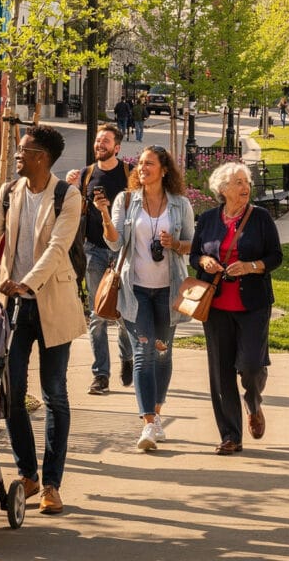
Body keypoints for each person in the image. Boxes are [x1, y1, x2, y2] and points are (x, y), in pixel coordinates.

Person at [0, 124, 86, 516]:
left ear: (41, 157)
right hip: (10, 305)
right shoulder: (10, 192)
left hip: (51, 301)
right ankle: (28, 474)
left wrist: (26, 283)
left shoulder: (68, 196)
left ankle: (52, 484)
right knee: (10, 393)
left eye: (23, 149)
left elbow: (57, 247)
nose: (16, 154)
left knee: (54, 393)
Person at [102, 145, 194, 452]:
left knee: (163, 352)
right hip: (135, 289)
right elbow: (115, 244)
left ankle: (157, 410)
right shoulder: (126, 200)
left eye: (149, 163)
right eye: (140, 163)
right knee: (143, 354)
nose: (143, 168)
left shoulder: (180, 204)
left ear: (164, 169)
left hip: (169, 291)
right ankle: (149, 423)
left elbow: (192, 245)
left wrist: (174, 243)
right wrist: (104, 215)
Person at [190, 162, 283, 454]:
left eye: (246, 182)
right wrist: (204, 261)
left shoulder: (261, 218)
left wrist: (252, 266)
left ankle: (253, 402)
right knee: (220, 373)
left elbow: (276, 256)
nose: (246, 188)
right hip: (216, 306)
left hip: (253, 304)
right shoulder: (207, 219)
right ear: (223, 189)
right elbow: (195, 254)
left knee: (251, 366)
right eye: (238, 182)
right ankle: (230, 435)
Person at [65, 123, 134, 395]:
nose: (99, 145)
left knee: (123, 313)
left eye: (105, 141)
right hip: (93, 249)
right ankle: (101, 375)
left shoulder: (129, 173)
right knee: (97, 315)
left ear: (117, 147)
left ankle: (127, 357)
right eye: (97, 141)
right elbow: (71, 207)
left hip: (121, 251)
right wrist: (70, 185)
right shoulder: (86, 174)